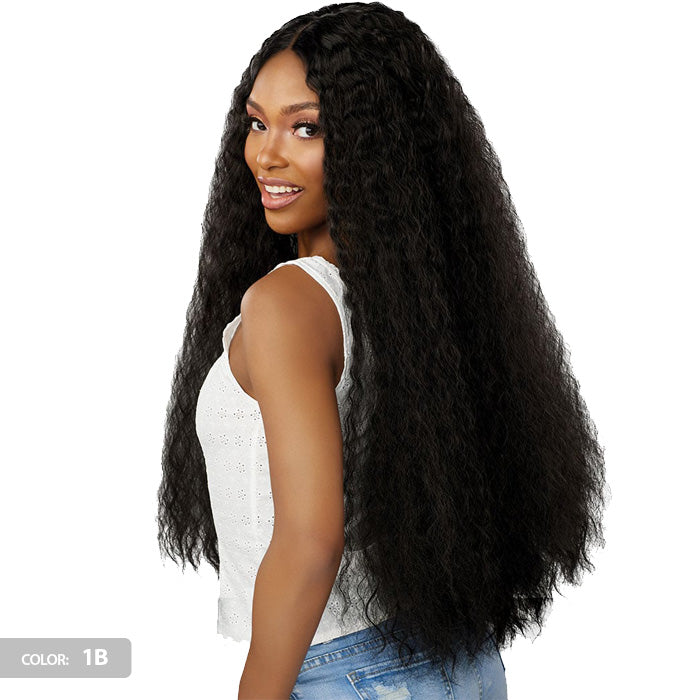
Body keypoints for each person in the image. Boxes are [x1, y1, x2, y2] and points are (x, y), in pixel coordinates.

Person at [157, 3, 609, 698]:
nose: (266, 154)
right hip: (457, 663)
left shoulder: (285, 304)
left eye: (306, 127)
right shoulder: (416, 308)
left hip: (347, 672)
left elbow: (309, 542)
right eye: (256, 122)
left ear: (377, 145)